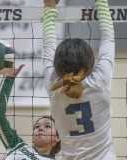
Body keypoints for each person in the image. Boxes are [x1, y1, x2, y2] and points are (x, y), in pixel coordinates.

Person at [43, 0, 116, 159]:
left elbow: (48, 46)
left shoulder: (54, 86)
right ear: (90, 64)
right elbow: (108, 38)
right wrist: (101, 2)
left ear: (57, 67)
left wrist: (49, 7)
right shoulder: (100, 80)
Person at [0, 64, 61, 160]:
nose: (40, 129)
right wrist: (9, 80)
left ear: (58, 137)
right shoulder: (17, 145)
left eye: (47, 126)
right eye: (37, 126)